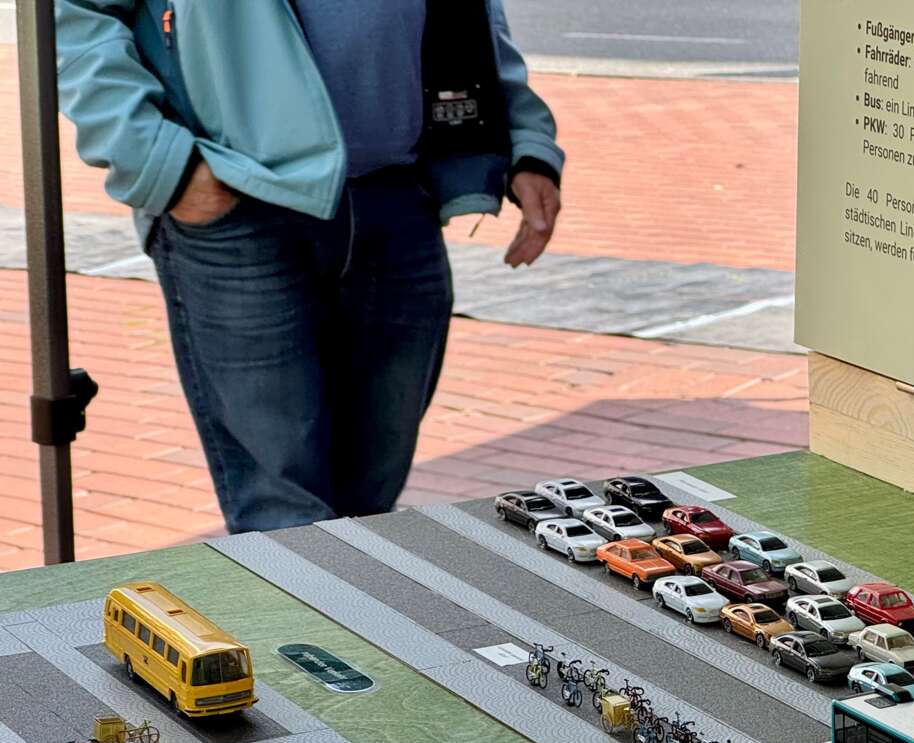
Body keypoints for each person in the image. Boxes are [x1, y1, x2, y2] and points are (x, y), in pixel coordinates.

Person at [55, 0, 565, 534]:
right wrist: (158, 158)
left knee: (370, 499)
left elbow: (474, 15)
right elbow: (74, 15)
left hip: (398, 197)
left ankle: (347, 589)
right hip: (239, 198)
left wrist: (522, 142)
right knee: (282, 510)